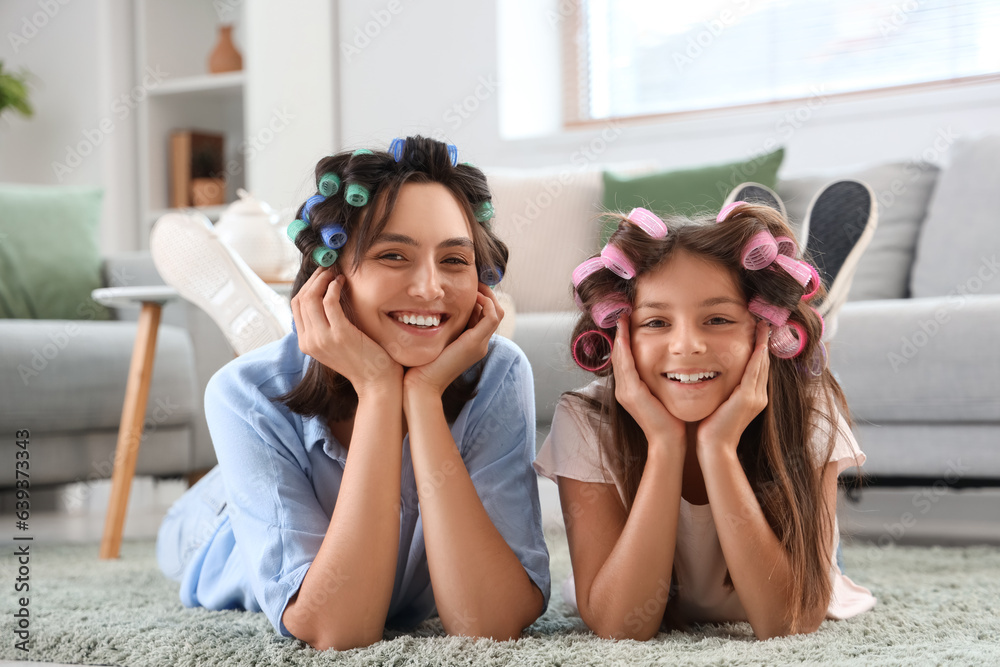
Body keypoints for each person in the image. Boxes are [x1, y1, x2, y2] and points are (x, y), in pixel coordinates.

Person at [156, 136, 549, 651]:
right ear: (330, 277)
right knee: (265, 399)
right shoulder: (241, 392)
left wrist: (424, 396)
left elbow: (491, 624)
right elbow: (337, 630)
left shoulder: (497, 372)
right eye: (393, 255)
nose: (431, 288)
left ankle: (294, 334)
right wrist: (378, 388)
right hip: (218, 524)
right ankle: (294, 346)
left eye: (454, 260)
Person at [533, 202, 875, 641]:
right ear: (620, 337)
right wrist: (664, 445)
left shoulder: (810, 412)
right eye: (656, 321)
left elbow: (788, 621)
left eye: (717, 319)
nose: (687, 345)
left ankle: (810, 318)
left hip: (792, 548)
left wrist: (717, 448)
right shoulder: (586, 419)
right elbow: (620, 624)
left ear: (759, 328)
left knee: (810, 373)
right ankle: (805, 306)